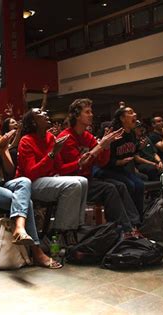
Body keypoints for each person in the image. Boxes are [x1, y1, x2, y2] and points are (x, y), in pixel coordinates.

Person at [0, 107, 61, 268]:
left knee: (24, 181)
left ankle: (20, 229)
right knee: (24, 202)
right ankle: (36, 251)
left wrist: (3, 149)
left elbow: (9, 170)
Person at [57, 98, 141, 237]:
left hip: (88, 179)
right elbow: (77, 166)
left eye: (91, 111)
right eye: (87, 112)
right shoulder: (66, 137)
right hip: (73, 183)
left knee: (120, 186)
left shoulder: (87, 136)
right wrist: (101, 146)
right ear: (77, 115)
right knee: (110, 188)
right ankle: (126, 229)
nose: (91, 114)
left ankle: (133, 225)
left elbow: (101, 162)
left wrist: (106, 147)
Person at [17, 108, 88, 245]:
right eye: (40, 114)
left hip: (49, 180)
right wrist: (51, 154)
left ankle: (75, 228)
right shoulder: (26, 141)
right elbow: (31, 173)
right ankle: (59, 232)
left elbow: (60, 168)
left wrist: (78, 163)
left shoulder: (50, 138)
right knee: (73, 185)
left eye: (45, 112)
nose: (45, 114)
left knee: (83, 181)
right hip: (30, 183)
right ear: (33, 122)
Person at [96, 106, 145, 220]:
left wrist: (138, 147)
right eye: (130, 113)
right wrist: (118, 162)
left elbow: (130, 151)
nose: (135, 115)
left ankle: (139, 219)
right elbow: (103, 159)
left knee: (139, 185)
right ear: (122, 118)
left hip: (120, 169)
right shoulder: (113, 133)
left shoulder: (131, 134)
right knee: (130, 185)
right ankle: (128, 220)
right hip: (105, 169)